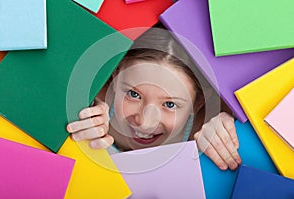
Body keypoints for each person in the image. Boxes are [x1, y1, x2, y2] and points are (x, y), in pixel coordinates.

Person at [66, 24, 242, 170]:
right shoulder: (92, 101)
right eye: (134, 94)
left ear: (198, 104)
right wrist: (79, 112)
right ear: (115, 77)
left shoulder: (202, 128)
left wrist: (225, 127)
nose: (145, 122)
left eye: (170, 104)